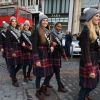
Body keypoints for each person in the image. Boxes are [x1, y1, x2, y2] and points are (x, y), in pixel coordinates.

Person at [78, 8, 100, 100]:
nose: (99, 18)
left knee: (94, 84)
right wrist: (90, 69)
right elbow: (86, 52)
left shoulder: (96, 30)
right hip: (88, 63)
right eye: (97, 16)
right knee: (86, 86)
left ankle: (85, 96)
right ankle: (82, 97)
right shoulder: (86, 31)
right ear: (91, 17)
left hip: (95, 61)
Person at [32, 14, 53, 100]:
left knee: (50, 73)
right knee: (39, 75)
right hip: (40, 55)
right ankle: (38, 91)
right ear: (40, 21)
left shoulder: (48, 31)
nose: (45, 22)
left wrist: (52, 46)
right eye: (43, 20)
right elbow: (34, 46)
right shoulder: (36, 31)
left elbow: (49, 43)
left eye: (46, 20)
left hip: (47, 55)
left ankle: (43, 87)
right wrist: (37, 59)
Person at [46, 22, 68, 93]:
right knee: (55, 72)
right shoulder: (50, 34)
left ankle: (46, 84)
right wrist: (52, 44)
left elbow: (61, 47)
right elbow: (46, 44)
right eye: (58, 26)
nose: (59, 28)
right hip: (52, 55)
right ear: (55, 26)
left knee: (53, 72)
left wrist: (64, 55)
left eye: (60, 27)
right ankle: (59, 87)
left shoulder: (61, 35)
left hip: (58, 56)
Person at [5, 16, 22, 87]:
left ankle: (12, 74)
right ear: (10, 22)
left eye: (15, 21)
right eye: (13, 21)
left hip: (18, 48)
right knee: (12, 65)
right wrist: (12, 52)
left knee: (20, 64)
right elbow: (8, 42)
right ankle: (14, 80)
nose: (14, 22)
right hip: (12, 49)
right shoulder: (8, 30)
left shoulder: (18, 30)